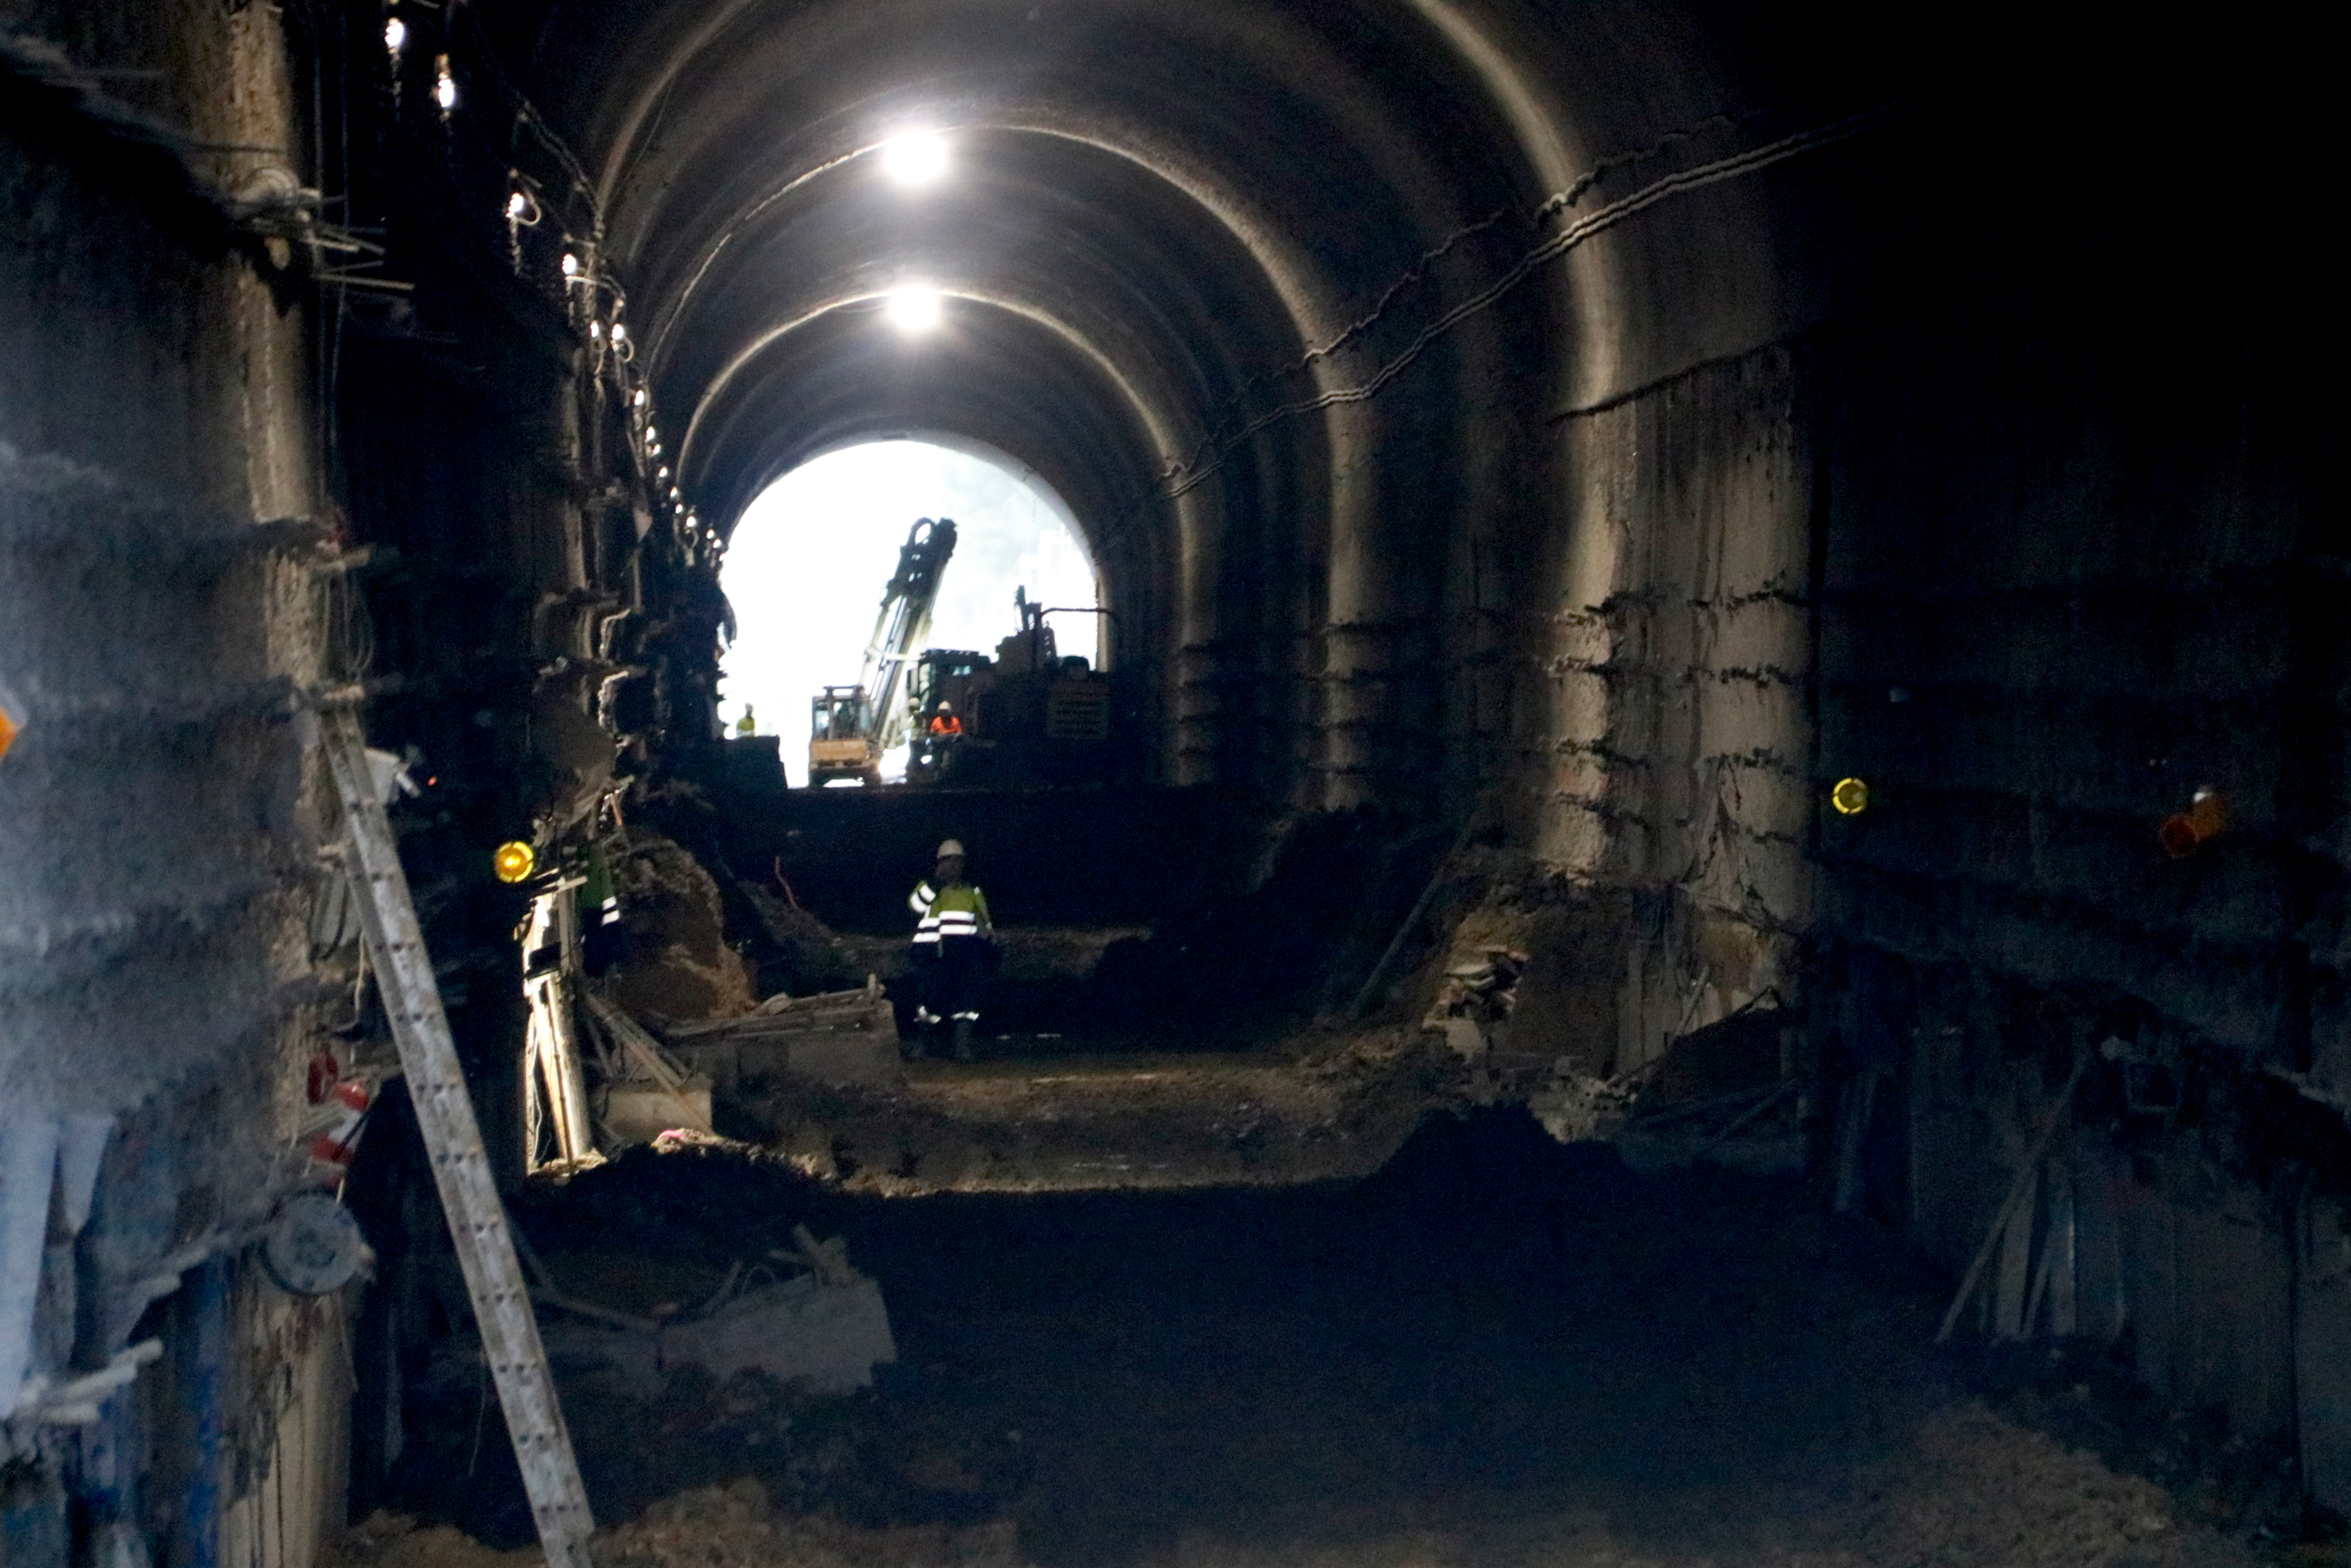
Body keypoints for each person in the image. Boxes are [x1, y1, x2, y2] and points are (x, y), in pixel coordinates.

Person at [907, 838, 992, 1060]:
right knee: (929, 1002)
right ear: (939, 863)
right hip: (932, 955)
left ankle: (962, 1049)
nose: (954, 866)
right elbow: (915, 906)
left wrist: (987, 948)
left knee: (966, 1004)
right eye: (949, 861)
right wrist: (935, 884)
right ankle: (922, 1047)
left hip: (964, 956)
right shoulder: (928, 888)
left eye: (958, 862)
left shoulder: (971, 891)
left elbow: (984, 924)